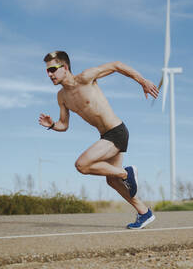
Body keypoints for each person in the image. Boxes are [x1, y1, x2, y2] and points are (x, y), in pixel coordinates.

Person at [38, 51, 159, 229]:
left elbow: (116, 65)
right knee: (112, 180)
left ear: (65, 67)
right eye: (47, 71)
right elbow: (64, 125)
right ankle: (144, 212)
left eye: (53, 70)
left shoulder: (86, 78)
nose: (49, 75)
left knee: (82, 165)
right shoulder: (62, 97)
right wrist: (51, 125)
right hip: (106, 136)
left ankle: (126, 173)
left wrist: (143, 81)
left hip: (117, 132)